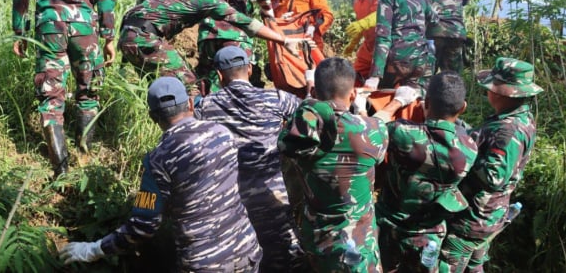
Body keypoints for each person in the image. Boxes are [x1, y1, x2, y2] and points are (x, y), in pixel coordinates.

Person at [60, 76, 262, 271]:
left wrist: (93, 249)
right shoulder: (222, 133)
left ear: (152, 118)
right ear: (191, 103)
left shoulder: (157, 161)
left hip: (205, 262)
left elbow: (143, 225)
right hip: (246, 249)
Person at [118, 0, 312, 93]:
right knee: (190, 88)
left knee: (163, 87)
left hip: (129, 30)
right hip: (146, 38)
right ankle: (195, 137)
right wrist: (284, 40)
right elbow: (246, 23)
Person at [11, 0, 116, 177]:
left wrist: (19, 30)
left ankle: (60, 170)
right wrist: (109, 37)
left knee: (50, 95)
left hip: (49, 26)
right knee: (89, 90)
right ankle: (84, 159)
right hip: (85, 28)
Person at [195, 46, 306, 272]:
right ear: (250, 68)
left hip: (230, 204)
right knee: (289, 258)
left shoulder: (205, 107)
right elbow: (309, 116)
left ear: (218, 75)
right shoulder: (277, 98)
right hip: (272, 195)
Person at [278, 57, 388, 272]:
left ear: (316, 95)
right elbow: (375, 136)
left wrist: (310, 94)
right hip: (358, 243)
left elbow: (305, 118)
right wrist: (362, 110)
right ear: (353, 93)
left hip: (317, 239)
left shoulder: (299, 134)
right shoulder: (373, 129)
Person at [440, 58, 543, 272]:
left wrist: (464, 147)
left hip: (473, 218)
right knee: (475, 267)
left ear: (500, 93)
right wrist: (468, 131)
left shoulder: (508, 129)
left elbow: (494, 176)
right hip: (489, 215)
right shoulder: (519, 118)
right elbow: (491, 142)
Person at [375, 71, 478, 273]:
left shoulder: (402, 133)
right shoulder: (470, 147)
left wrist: (398, 102)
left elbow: (373, 126)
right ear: (463, 107)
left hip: (389, 227)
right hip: (429, 236)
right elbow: (459, 129)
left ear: (427, 101)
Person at [364, 0, 436, 93]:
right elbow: (433, 19)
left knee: (382, 100)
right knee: (415, 103)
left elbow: (383, 36)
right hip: (422, 59)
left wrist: (375, 75)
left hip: (398, 61)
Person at [343, 0, 382, 83]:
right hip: (368, 46)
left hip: (383, 46)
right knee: (354, 77)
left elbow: (382, 14)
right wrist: (353, 43)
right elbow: (361, 26)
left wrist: (363, 23)